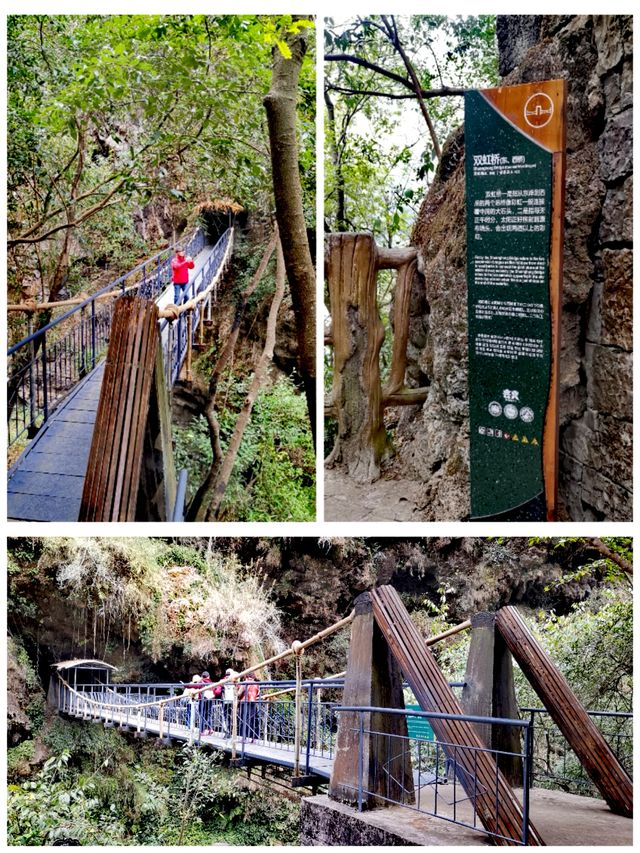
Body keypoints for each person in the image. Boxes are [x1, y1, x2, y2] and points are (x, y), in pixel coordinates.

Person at [240, 674, 260, 743]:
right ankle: (254, 738)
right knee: (254, 720)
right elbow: (258, 694)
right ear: (253, 677)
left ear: (247, 677)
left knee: (244, 720)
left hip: (245, 702)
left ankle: (244, 738)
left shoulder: (245, 683)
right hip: (253, 702)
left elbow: (239, 693)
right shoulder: (257, 684)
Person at [223, 668, 239, 738]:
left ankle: (230, 733)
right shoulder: (224, 681)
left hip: (232, 701)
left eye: (228, 674)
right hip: (226, 701)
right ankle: (227, 732)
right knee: (227, 717)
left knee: (231, 717)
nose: (227, 676)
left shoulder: (235, 680)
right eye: (226, 674)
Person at [200, 671, 214, 735]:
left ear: (202, 676)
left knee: (202, 715)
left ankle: (202, 731)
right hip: (210, 699)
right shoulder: (211, 682)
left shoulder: (201, 682)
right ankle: (210, 729)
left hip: (203, 699)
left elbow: (196, 687)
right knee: (209, 715)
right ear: (209, 676)